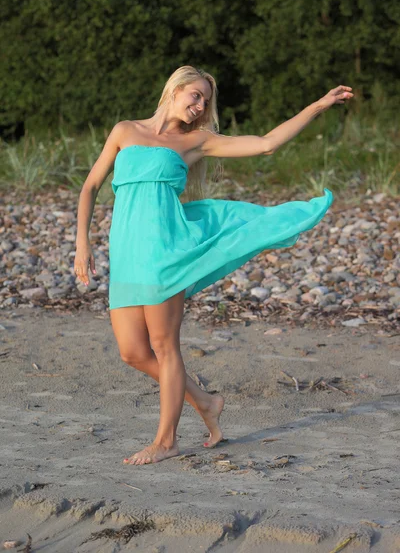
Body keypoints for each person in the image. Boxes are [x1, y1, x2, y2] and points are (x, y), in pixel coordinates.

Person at [74, 65, 353, 465]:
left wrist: (319, 105)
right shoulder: (125, 131)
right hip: (126, 251)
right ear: (175, 89)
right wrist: (82, 245)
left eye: (206, 100)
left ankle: (166, 440)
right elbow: (90, 186)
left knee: (164, 346)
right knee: (133, 352)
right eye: (196, 95)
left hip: (166, 251)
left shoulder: (197, 141)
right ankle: (206, 401)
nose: (201, 105)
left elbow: (267, 143)